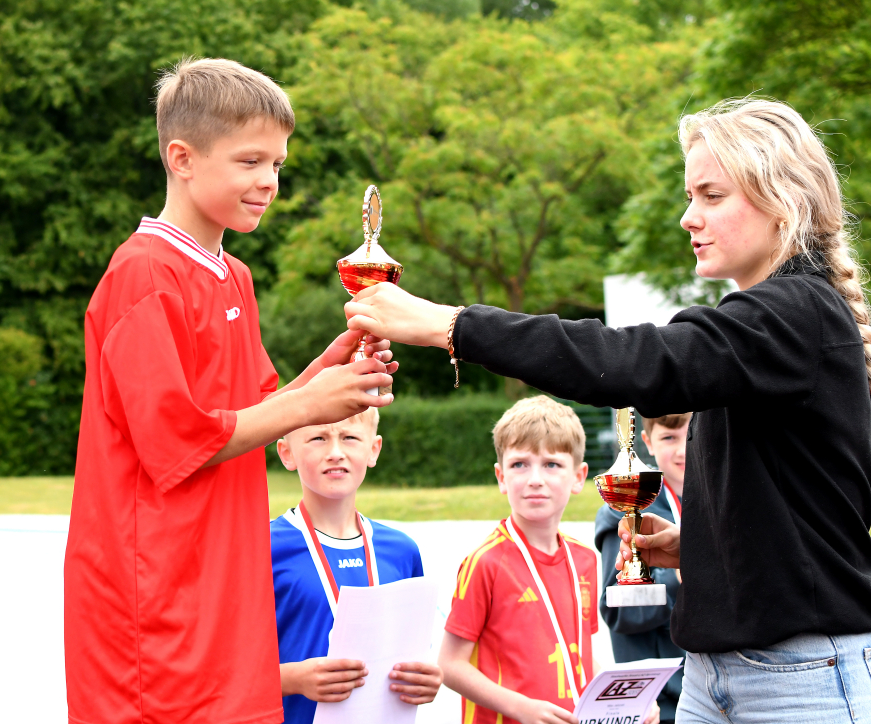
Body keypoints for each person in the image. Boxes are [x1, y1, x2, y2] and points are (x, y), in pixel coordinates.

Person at [343, 98, 871, 723]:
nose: (687, 218)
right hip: (713, 673)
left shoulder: (794, 314)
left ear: (781, 200)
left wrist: (450, 324)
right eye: (689, 195)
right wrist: (703, 548)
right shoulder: (769, 325)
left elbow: (634, 362)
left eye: (710, 196)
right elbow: (797, 507)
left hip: (798, 678)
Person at [65, 58, 396, 724]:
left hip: (220, 581)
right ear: (181, 158)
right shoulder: (143, 273)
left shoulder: (232, 275)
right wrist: (307, 404)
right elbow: (176, 439)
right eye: (250, 162)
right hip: (155, 594)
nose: (268, 182)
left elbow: (257, 414)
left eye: (276, 164)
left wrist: (336, 371)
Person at [438, 396, 660, 724]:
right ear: (501, 477)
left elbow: (579, 657)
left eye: (551, 464)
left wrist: (625, 702)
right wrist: (520, 707)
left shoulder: (583, 559)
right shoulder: (485, 562)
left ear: (578, 476)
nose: (535, 479)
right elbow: (449, 665)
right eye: (519, 464)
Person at [270, 407, 443, 723]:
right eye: (318, 438)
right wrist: (292, 679)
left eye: (350, 437)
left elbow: (415, 656)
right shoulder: (263, 547)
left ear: (373, 449)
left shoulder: (402, 551)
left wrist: (427, 681)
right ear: (287, 453)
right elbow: (221, 668)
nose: (335, 452)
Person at [594, 413, 690, 723]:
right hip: (660, 700)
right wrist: (676, 578)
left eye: (690, 437)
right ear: (646, 441)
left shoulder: (718, 502)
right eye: (669, 438)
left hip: (711, 687)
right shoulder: (625, 507)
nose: (682, 451)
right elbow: (618, 610)